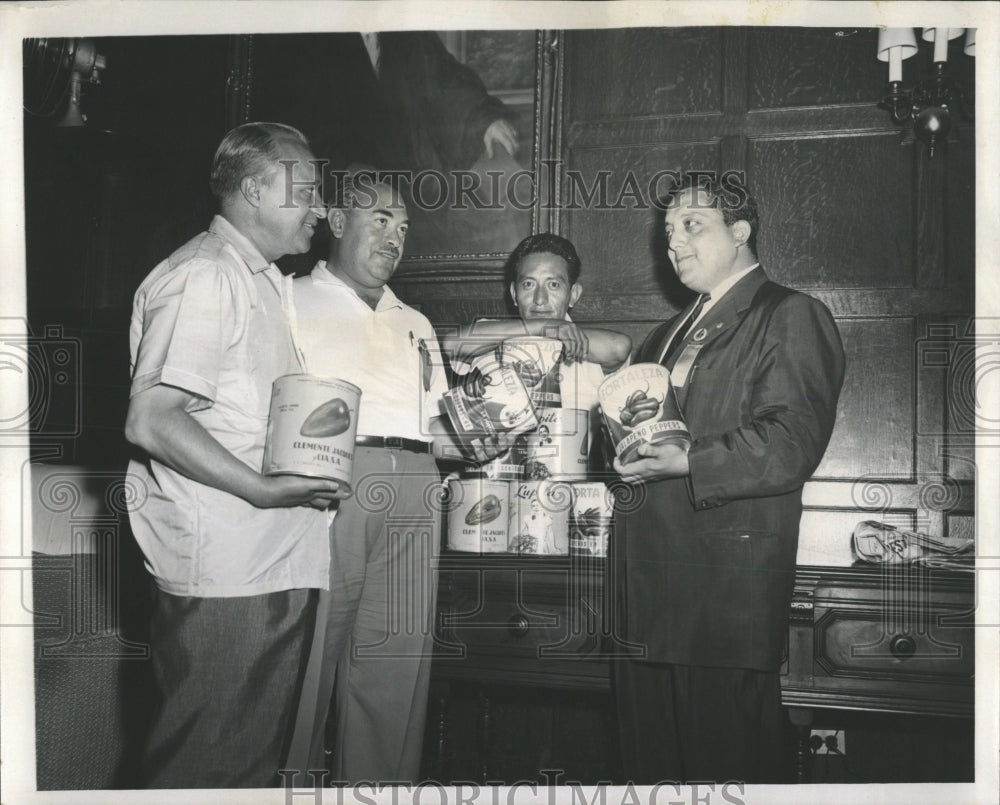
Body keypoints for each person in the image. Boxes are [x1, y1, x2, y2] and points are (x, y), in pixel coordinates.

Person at [124, 122, 347, 788]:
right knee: (208, 770)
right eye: (304, 192)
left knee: (243, 771)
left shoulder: (264, 281)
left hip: (268, 561)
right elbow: (153, 417)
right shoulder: (205, 274)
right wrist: (258, 487)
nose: (319, 210)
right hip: (227, 571)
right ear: (253, 190)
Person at [612, 173, 845, 783]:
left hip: (722, 601)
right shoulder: (664, 335)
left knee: (725, 774)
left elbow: (792, 442)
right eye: (668, 231)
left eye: (693, 225)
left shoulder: (790, 314)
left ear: (740, 231)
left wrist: (688, 461)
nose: (674, 243)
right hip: (646, 599)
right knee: (648, 774)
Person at [285, 170, 497, 784]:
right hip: (330, 482)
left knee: (395, 663)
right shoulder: (289, 299)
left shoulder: (417, 323)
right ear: (338, 220)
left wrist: (481, 437)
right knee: (308, 660)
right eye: (380, 219)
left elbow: (438, 430)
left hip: (417, 485)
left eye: (403, 227)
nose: (394, 237)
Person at [441, 233, 632, 414]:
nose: (540, 299)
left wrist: (557, 331)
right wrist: (545, 327)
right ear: (515, 294)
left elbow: (619, 347)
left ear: (573, 295)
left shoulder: (591, 345)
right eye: (529, 285)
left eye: (553, 285)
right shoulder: (492, 333)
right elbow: (451, 344)